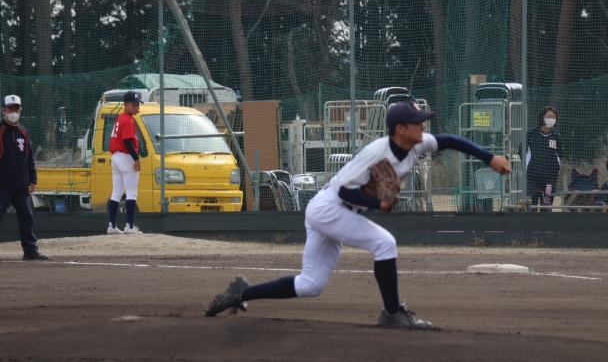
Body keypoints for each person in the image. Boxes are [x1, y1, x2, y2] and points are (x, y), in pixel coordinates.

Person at [205, 101, 511, 329]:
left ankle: (241, 292)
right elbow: (343, 191)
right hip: (330, 207)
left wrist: (490, 158)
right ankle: (392, 314)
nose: (423, 127)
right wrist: (380, 205)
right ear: (400, 129)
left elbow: (451, 141)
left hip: (331, 211)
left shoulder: (417, 146)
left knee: (311, 285)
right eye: (417, 123)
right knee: (384, 243)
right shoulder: (378, 152)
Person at [0, 95, 48, 261]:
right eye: (10, 108)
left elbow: (29, 158)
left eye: (17, 108)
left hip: (21, 185)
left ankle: (30, 250)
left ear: (20, 109)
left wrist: (32, 179)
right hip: (1, 186)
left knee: (27, 219)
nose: (14, 111)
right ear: (3, 110)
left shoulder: (24, 132)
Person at [107, 91, 144, 234]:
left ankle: (111, 226)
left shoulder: (120, 118)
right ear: (125, 105)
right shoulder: (128, 120)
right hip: (126, 157)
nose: (136, 107)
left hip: (116, 157)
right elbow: (127, 141)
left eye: (137, 105)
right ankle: (129, 226)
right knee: (131, 192)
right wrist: (136, 158)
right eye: (133, 105)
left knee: (116, 192)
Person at [525, 106, 564, 206]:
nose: (551, 119)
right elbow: (522, 151)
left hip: (550, 178)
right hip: (532, 177)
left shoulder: (556, 136)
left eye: (553, 117)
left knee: (547, 205)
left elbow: (560, 154)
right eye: (549, 117)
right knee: (532, 205)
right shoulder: (531, 133)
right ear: (542, 117)